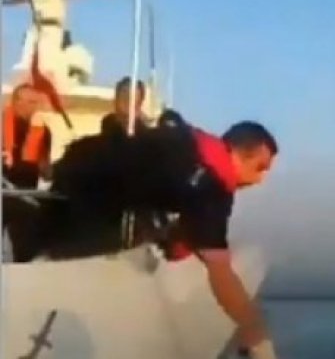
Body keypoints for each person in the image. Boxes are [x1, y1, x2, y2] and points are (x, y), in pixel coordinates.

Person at [41, 111, 280, 358]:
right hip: (85, 201)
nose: (261, 180)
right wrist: (256, 334)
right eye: (260, 168)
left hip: (72, 174)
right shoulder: (213, 184)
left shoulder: (191, 142)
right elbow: (219, 270)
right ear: (237, 154)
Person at [2, 83, 52, 262]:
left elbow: (45, 169)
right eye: (26, 101)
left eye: (34, 102)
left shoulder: (44, 131)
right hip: (2, 191)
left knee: (25, 253)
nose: (30, 106)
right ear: (15, 101)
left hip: (25, 197)